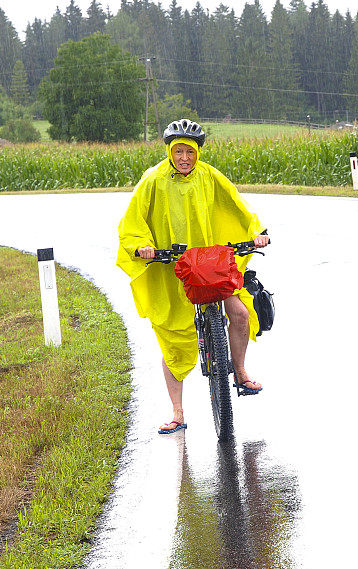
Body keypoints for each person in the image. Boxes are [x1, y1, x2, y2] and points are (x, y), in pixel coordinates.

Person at [116, 118, 270, 434]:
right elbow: (132, 221)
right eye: (179, 151)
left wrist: (257, 232)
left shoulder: (210, 176)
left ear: (197, 152)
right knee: (173, 342)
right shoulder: (153, 180)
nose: (184, 157)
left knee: (240, 314)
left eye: (189, 151)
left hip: (211, 263)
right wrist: (143, 245)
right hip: (173, 267)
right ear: (170, 151)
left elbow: (239, 206)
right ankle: (177, 412)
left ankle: (239, 372)